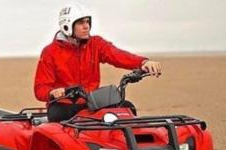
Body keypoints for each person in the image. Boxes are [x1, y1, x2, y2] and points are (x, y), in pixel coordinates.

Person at [34, 3, 162, 122]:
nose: (86, 26)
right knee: (61, 116)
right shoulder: (50, 52)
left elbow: (117, 55)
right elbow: (40, 89)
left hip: (91, 102)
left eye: (88, 22)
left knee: (127, 107)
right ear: (67, 25)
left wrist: (143, 63)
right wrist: (52, 92)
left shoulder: (96, 44)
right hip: (64, 105)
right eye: (80, 23)